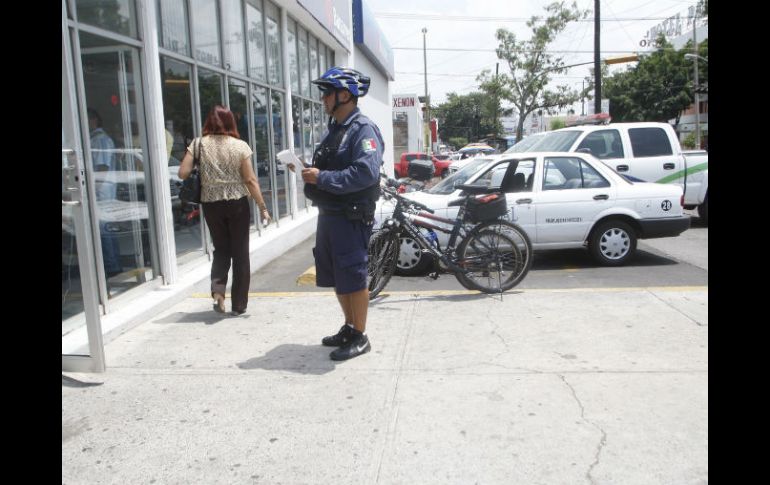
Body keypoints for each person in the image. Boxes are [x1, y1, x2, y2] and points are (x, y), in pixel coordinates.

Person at [301, 67, 383, 361]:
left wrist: (320, 178)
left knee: (353, 274)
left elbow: (365, 172)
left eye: (327, 93)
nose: (323, 99)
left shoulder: (363, 129)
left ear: (344, 95)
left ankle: (361, 335)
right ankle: (349, 326)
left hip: (351, 217)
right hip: (330, 214)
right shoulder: (336, 130)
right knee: (338, 275)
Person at [178, 105, 271, 316]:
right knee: (240, 254)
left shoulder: (198, 144)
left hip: (211, 204)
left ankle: (218, 291)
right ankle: (238, 305)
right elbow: (250, 179)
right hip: (237, 203)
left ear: (208, 122)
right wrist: (262, 207)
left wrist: (204, 167)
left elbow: (183, 173)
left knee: (221, 249)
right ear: (231, 122)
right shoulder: (240, 146)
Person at [87, 108, 122, 278]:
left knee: (104, 230)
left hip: (102, 192)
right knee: (107, 229)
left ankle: (112, 266)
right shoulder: (95, 139)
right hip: (103, 191)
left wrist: (94, 190)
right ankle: (113, 263)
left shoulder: (100, 140)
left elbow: (102, 167)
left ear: (94, 120)